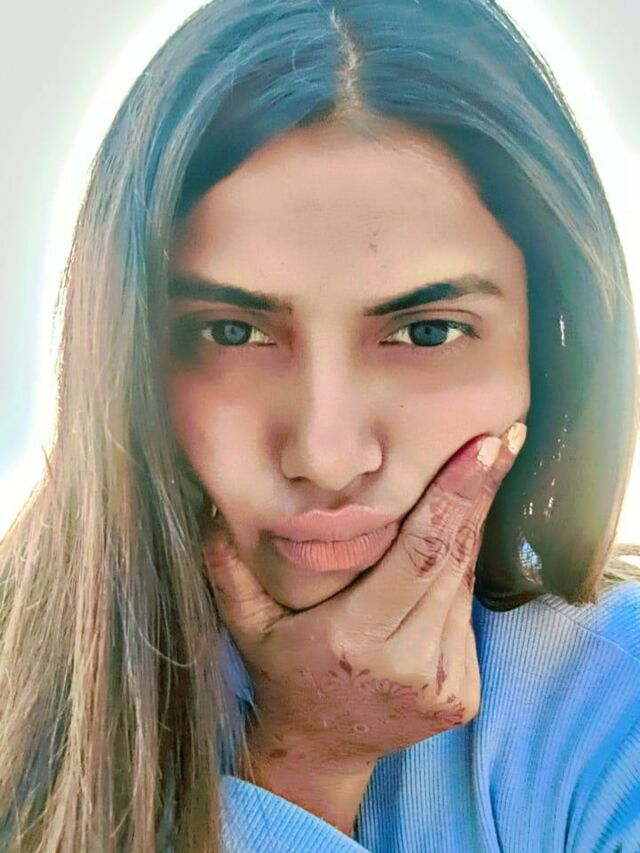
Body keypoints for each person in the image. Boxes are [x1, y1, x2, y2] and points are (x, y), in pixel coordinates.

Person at [1, 0, 639, 850]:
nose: (329, 455)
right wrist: (307, 766)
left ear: (554, 344)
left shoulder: (616, 696)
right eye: (233, 334)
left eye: (427, 332)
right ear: (124, 352)